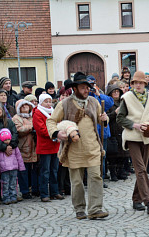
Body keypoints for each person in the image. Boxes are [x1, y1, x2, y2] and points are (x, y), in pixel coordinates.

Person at [46, 71, 109, 220]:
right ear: (75, 88)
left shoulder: (94, 102)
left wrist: (105, 119)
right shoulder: (64, 104)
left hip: (93, 147)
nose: (86, 90)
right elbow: (51, 121)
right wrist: (56, 134)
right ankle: (80, 209)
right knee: (77, 182)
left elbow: (101, 121)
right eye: (83, 87)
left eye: (88, 87)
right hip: (74, 149)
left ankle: (95, 209)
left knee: (96, 177)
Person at [116, 70, 149, 214]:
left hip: (147, 135)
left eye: (141, 83)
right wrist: (135, 125)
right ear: (132, 84)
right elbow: (120, 118)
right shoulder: (126, 97)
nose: (138, 85)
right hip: (132, 136)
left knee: (143, 168)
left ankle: (136, 199)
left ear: (145, 84)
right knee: (140, 169)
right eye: (135, 83)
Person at [33, 94, 64, 202]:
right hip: (45, 145)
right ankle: (44, 193)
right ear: (41, 102)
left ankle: (54, 192)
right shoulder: (37, 113)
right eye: (46, 101)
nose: (48, 103)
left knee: (54, 170)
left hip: (55, 145)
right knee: (45, 171)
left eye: (49, 101)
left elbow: (58, 124)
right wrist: (55, 134)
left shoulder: (53, 111)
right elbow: (41, 129)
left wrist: (59, 132)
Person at [12, 99, 38, 199]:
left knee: (34, 170)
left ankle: (34, 189)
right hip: (23, 147)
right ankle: (25, 191)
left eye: (27, 106)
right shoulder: (16, 118)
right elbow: (19, 130)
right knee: (23, 171)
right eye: (22, 106)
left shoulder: (32, 116)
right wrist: (31, 127)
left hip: (34, 147)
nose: (25, 108)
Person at [0, 128, 25, 205]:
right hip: (4, 169)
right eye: (5, 140)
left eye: (8, 139)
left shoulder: (14, 147)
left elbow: (19, 158)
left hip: (14, 168)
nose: (7, 141)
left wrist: (21, 167)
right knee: (5, 184)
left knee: (13, 183)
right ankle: (6, 197)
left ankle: (13, 196)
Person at [106, 84, 130, 181]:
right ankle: (113, 173)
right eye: (114, 92)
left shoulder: (122, 102)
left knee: (122, 154)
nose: (116, 93)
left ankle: (120, 171)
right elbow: (106, 117)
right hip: (113, 130)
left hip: (122, 130)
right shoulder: (108, 104)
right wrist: (114, 113)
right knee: (113, 155)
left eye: (117, 92)